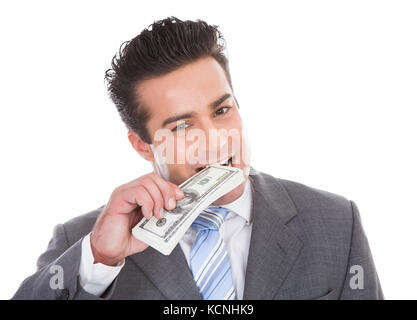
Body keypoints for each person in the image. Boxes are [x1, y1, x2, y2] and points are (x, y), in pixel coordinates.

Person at [12, 16, 383, 300]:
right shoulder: (85, 244)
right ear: (142, 145)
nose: (214, 138)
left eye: (221, 111)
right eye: (181, 127)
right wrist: (99, 261)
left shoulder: (336, 223)